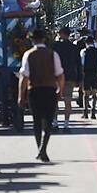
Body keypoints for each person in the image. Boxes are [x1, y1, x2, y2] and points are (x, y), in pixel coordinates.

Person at [18, 29, 63, 162]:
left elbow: (24, 77)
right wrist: (60, 90)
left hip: (34, 91)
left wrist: (21, 95)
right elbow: (60, 74)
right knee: (48, 121)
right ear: (44, 39)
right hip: (50, 90)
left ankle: (40, 149)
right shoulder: (52, 54)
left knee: (36, 121)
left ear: (31, 40)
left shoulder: (28, 55)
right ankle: (43, 149)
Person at [51, 27, 81, 132]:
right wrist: (79, 78)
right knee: (68, 100)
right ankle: (66, 124)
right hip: (70, 76)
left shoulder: (55, 47)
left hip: (56, 76)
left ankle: (55, 123)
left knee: (54, 101)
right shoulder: (74, 48)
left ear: (62, 34)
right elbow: (78, 64)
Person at [80, 36, 97, 119]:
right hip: (95, 73)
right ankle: (93, 111)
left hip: (87, 73)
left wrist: (81, 76)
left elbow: (82, 64)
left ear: (86, 43)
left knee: (86, 94)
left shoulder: (84, 51)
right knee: (94, 93)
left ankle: (85, 112)